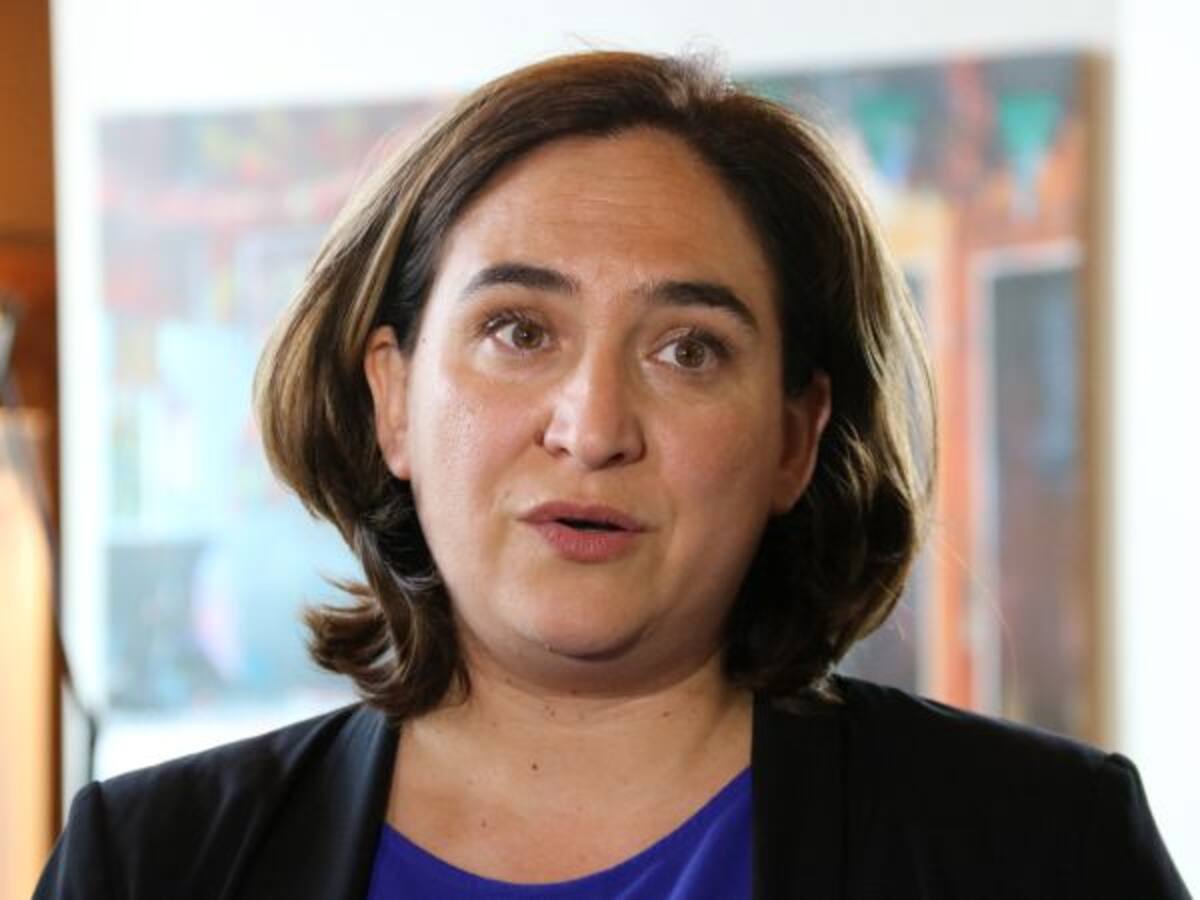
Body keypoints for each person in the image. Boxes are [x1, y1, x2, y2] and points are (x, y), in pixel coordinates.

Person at [35, 51, 1190, 900]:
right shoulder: (147, 865)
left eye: (689, 351)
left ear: (795, 440)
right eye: (518, 331)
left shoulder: (1046, 849)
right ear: (392, 399)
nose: (592, 430)